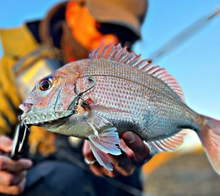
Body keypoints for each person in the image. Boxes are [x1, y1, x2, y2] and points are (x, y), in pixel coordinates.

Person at [0, 0, 152, 195]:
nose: (113, 41)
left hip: (107, 176)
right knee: (63, 179)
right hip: (42, 177)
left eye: (125, 37)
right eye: (103, 26)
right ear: (73, 11)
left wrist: (137, 152)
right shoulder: (14, 66)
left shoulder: (132, 77)